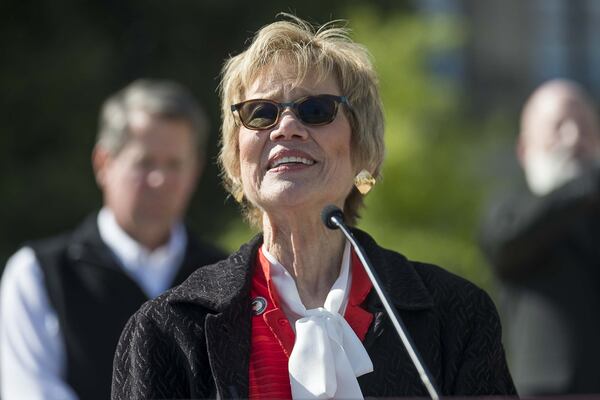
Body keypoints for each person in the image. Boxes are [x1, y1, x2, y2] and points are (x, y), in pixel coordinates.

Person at [112, 15, 516, 399]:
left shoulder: (455, 316)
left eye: (316, 110)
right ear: (237, 159)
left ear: (363, 149)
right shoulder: (169, 330)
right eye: (260, 113)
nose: (286, 126)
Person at [0, 79, 226, 400]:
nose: (160, 180)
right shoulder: (38, 275)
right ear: (103, 163)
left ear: (195, 171)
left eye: (174, 164)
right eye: (144, 162)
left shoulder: (224, 280)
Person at [480, 79, 600, 395]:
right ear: (524, 148)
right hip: (544, 389)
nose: (573, 138)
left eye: (584, 127)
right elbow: (508, 246)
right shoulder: (508, 210)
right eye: (558, 126)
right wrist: (583, 184)